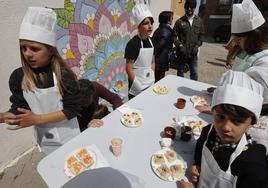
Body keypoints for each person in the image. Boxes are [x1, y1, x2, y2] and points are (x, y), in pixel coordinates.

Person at [1, 7, 81, 155]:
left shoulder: (63, 75)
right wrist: (5, 117)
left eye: (34, 49)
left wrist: (36, 119)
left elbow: (72, 109)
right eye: (23, 48)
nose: (27, 54)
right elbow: (21, 107)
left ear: (50, 49)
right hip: (45, 141)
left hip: (69, 137)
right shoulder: (19, 77)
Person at [182, 71, 268, 188]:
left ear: (251, 123)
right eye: (220, 117)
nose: (226, 127)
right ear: (213, 112)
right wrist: (197, 164)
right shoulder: (209, 131)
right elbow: (200, 146)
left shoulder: (253, 167)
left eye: (237, 121)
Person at [125, 3, 155, 100]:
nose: (150, 26)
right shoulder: (133, 44)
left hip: (150, 83)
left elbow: (153, 61)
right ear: (139, 26)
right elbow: (129, 68)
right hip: (137, 87)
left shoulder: (152, 41)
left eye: (151, 23)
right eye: (146, 23)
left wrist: (152, 76)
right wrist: (137, 86)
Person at [173, 0, 204, 81]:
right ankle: (179, 86)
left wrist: (197, 46)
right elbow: (173, 37)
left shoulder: (199, 21)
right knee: (180, 72)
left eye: (192, 7)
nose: (189, 9)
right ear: (185, 8)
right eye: (187, 7)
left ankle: (193, 89)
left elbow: (201, 36)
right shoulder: (179, 21)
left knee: (194, 73)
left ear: (194, 8)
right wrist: (179, 46)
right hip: (182, 53)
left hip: (193, 54)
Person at [152, 11, 174, 82]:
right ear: (168, 20)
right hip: (160, 62)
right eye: (171, 18)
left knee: (156, 80)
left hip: (158, 61)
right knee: (158, 81)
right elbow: (158, 47)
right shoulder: (167, 32)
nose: (172, 19)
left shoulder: (159, 29)